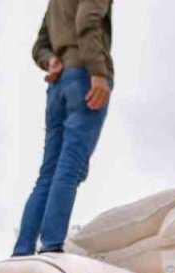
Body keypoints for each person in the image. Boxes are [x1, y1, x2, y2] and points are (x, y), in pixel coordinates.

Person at [11, 0, 114, 257]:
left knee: (49, 172)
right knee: (70, 168)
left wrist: (51, 61)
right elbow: (87, 21)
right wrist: (98, 73)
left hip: (59, 85)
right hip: (84, 79)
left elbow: (40, 45)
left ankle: (22, 252)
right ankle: (51, 248)